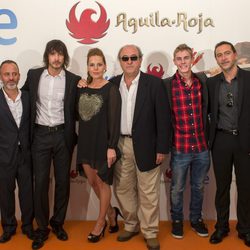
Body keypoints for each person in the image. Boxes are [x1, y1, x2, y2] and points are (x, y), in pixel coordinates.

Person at [22, 40, 81, 250]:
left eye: (60, 54)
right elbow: (21, 99)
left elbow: (81, 105)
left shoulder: (74, 80)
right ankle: (42, 227)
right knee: (40, 185)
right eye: (53, 54)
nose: (56, 58)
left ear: (65, 57)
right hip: (39, 135)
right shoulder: (34, 75)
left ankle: (58, 223)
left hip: (63, 136)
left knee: (63, 183)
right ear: (47, 56)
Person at [112, 44, 171, 250]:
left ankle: (150, 231)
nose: (129, 62)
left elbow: (164, 119)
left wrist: (162, 148)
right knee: (123, 189)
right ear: (120, 61)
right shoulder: (112, 84)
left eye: (133, 58)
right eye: (125, 58)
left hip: (148, 145)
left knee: (148, 192)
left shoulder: (154, 84)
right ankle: (131, 225)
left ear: (140, 59)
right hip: (120, 144)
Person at [163, 44, 210, 239]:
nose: (183, 62)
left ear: (192, 60)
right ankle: (177, 220)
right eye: (179, 59)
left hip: (201, 147)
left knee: (199, 186)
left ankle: (196, 219)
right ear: (174, 61)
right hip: (180, 147)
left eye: (186, 58)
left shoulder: (203, 81)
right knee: (177, 188)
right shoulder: (166, 85)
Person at [77, 48, 122, 243]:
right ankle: (112, 213)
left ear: (105, 66)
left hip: (103, 144)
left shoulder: (111, 88)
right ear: (87, 67)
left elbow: (114, 120)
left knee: (103, 183)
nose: (95, 68)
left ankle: (101, 221)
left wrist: (111, 146)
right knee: (93, 182)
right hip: (85, 142)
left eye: (99, 64)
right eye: (92, 64)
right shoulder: (81, 87)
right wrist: (79, 83)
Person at [207, 41, 250, 247]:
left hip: (245, 141)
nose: (223, 58)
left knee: (246, 188)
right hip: (221, 140)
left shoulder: (249, 79)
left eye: (226, 53)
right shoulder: (212, 83)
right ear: (216, 59)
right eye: (219, 55)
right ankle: (222, 227)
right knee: (222, 187)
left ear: (234, 55)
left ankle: (245, 229)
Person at [0, 60, 34, 243]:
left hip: (25, 154)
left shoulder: (28, 97)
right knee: (5, 193)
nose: (11, 78)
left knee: (27, 192)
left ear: (19, 76)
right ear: (1, 77)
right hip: (4, 155)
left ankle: (28, 226)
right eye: (7, 74)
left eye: (14, 74)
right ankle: (8, 227)